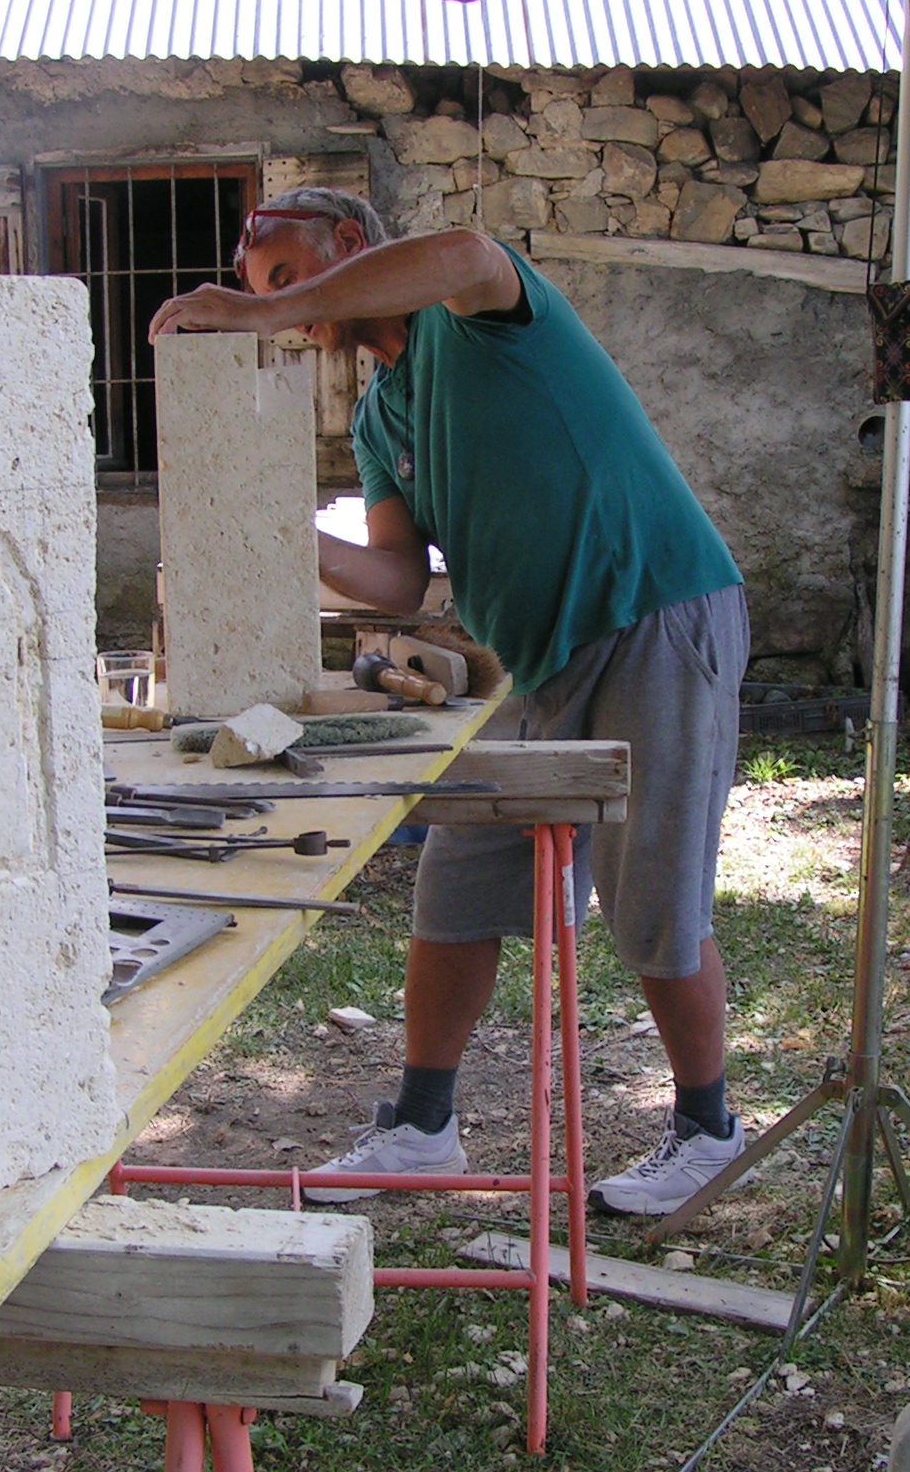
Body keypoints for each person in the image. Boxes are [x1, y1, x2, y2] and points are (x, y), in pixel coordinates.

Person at [148, 187, 749, 1216]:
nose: (284, 306)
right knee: (460, 874)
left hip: (653, 608)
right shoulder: (382, 414)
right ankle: (421, 1128)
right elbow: (393, 579)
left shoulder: (472, 312)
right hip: (541, 657)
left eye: (288, 280)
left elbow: (469, 250)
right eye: (263, 291)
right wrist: (256, 532)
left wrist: (248, 317)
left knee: (654, 893)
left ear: (348, 244)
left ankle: (708, 1131)